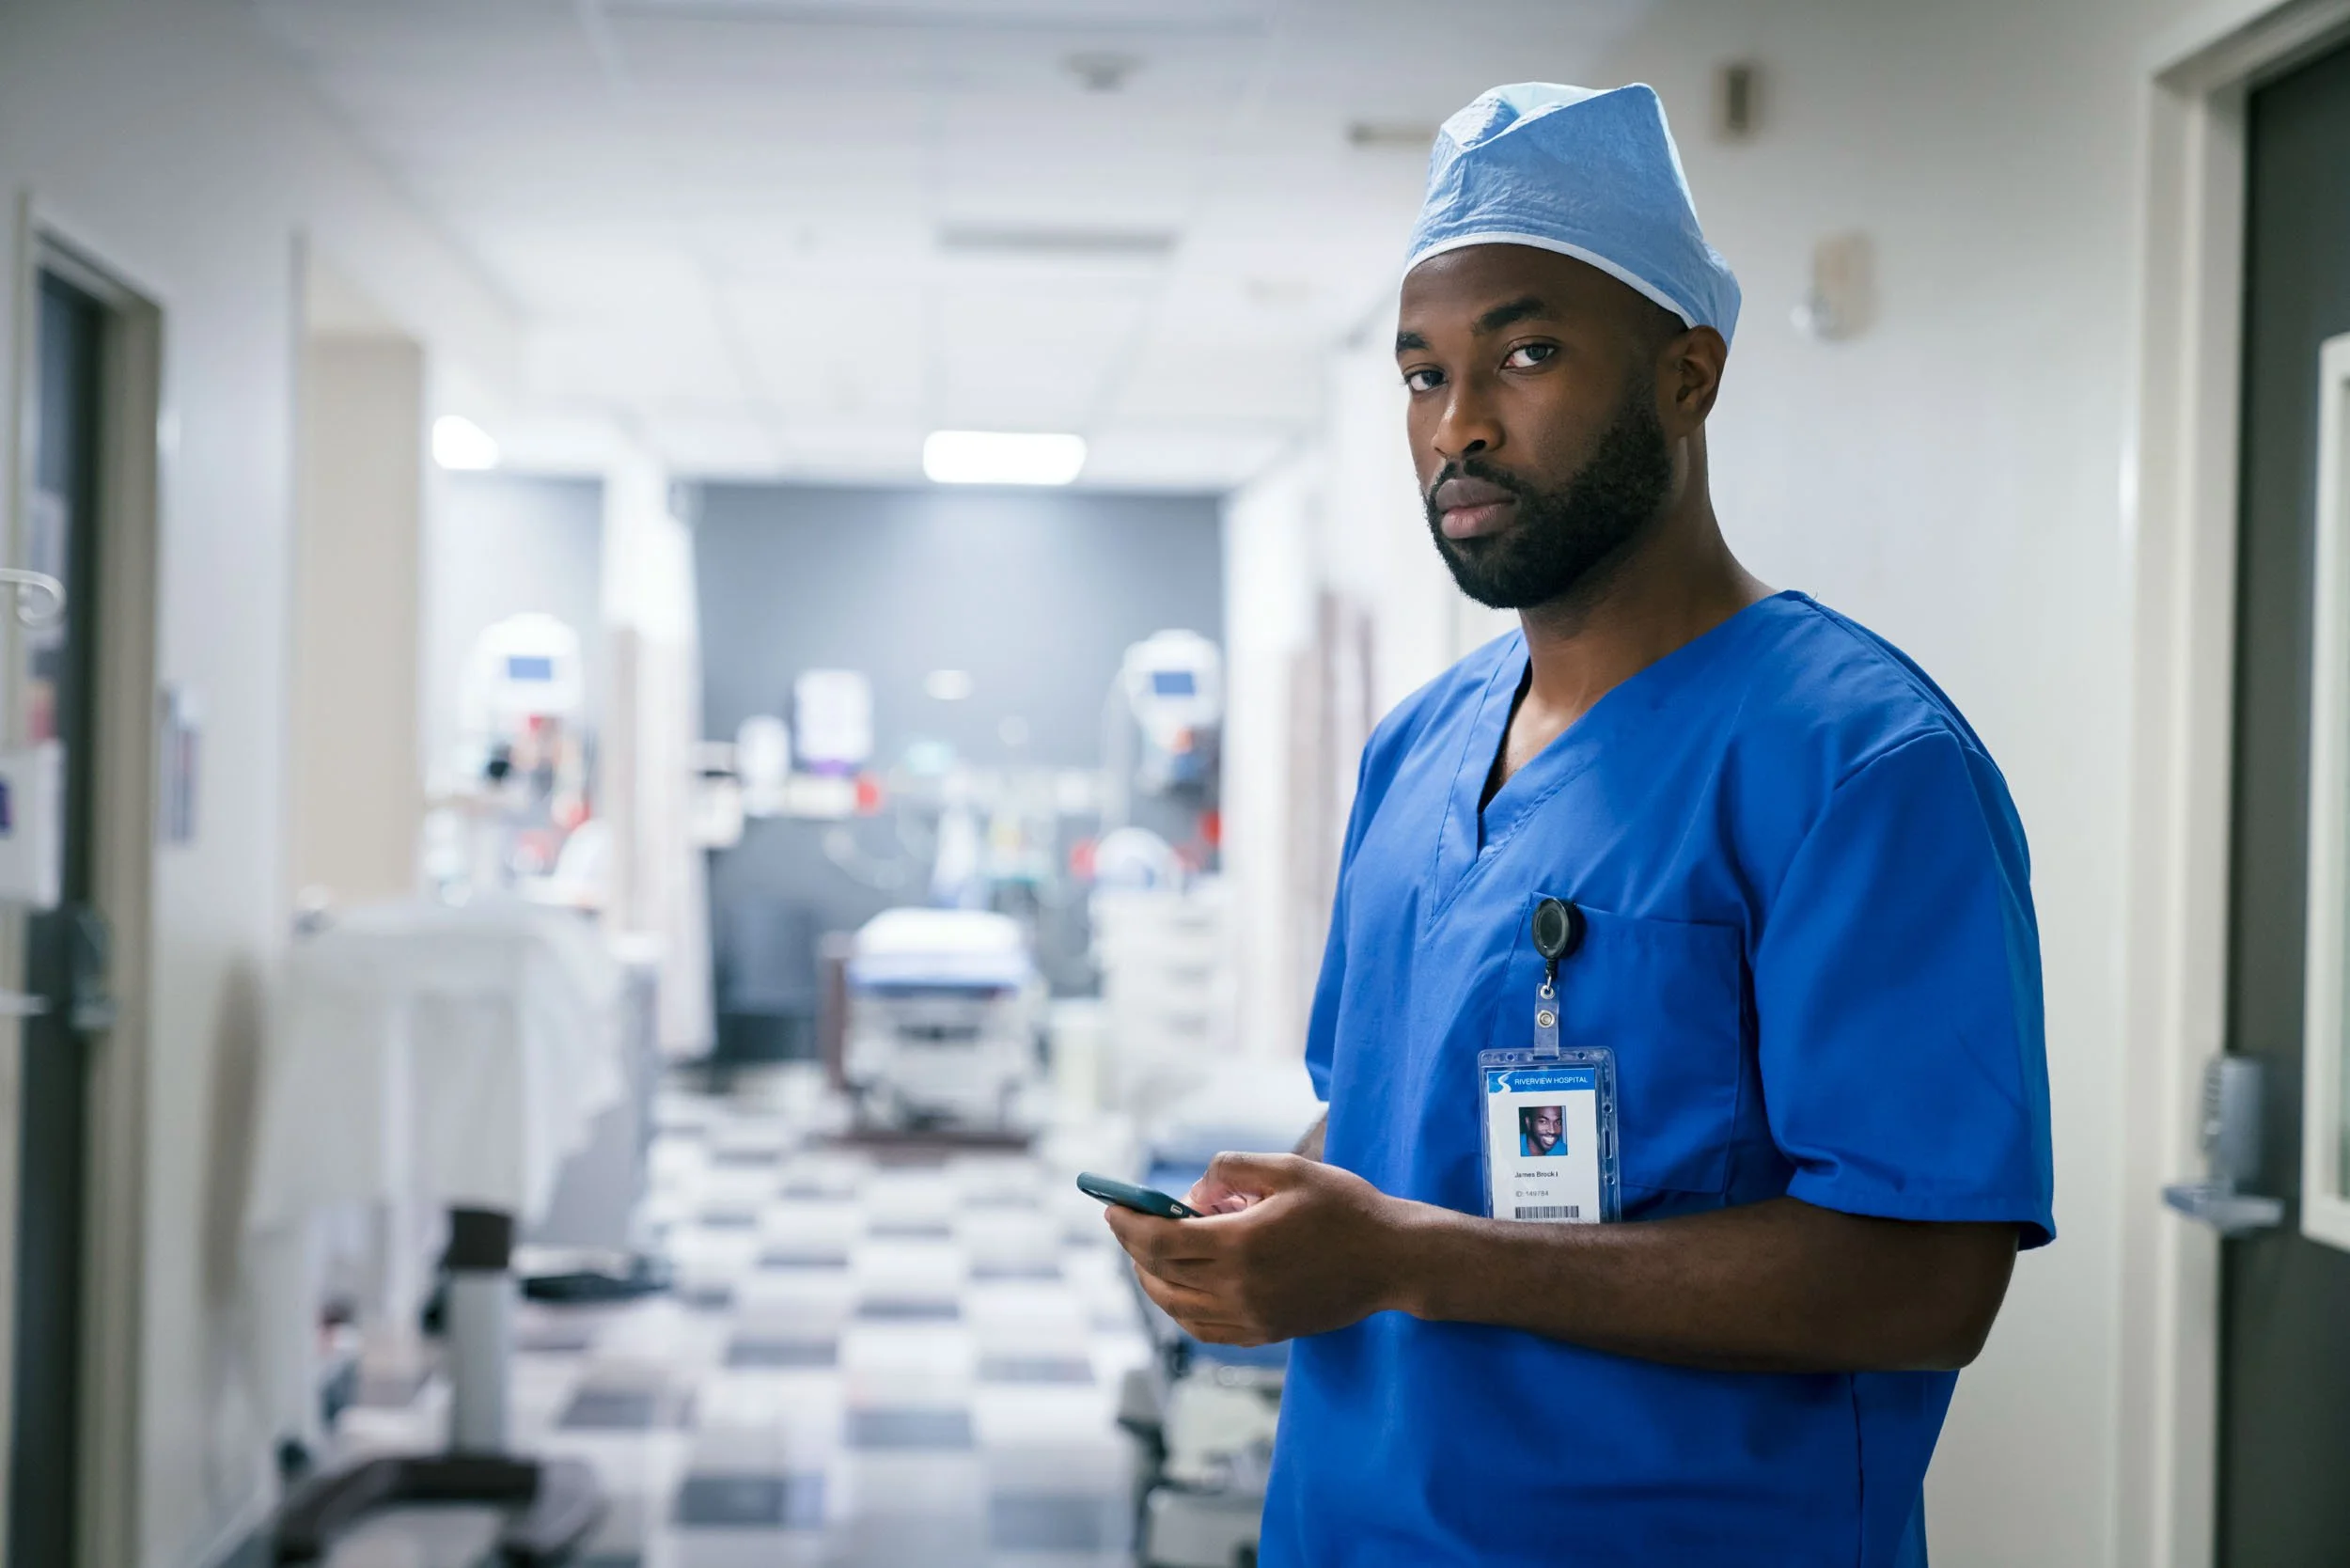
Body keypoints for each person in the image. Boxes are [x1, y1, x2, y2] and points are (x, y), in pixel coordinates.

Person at [1103, 82, 2052, 1568]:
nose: (1459, 425)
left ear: (1688, 375)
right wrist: (1264, 1225)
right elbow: (1383, 1110)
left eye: (1526, 355)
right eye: (1423, 374)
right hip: (1347, 1529)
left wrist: (1406, 1260)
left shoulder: (1860, 765)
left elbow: (1927, 1282)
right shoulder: (1417, 748)